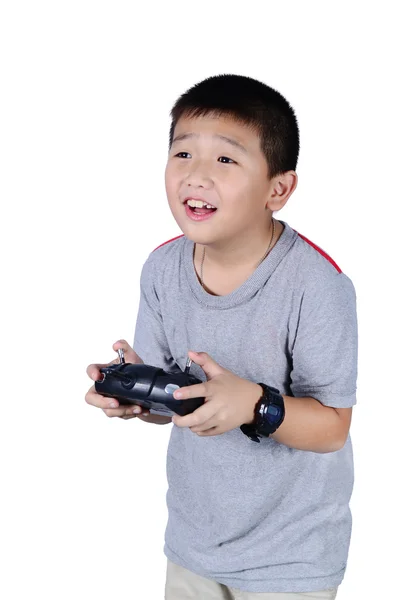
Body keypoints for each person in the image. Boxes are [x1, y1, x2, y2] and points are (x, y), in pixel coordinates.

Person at [85, 74, 357, 600]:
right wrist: (139, 397)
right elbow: (175, 402)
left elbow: (333, 429)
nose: (197, 176)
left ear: (278, 189)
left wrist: (254, 404)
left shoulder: (318, 286)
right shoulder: (162, 268)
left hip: (291, 557)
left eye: (226, 160)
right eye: (183, 154)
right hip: (193, 542)